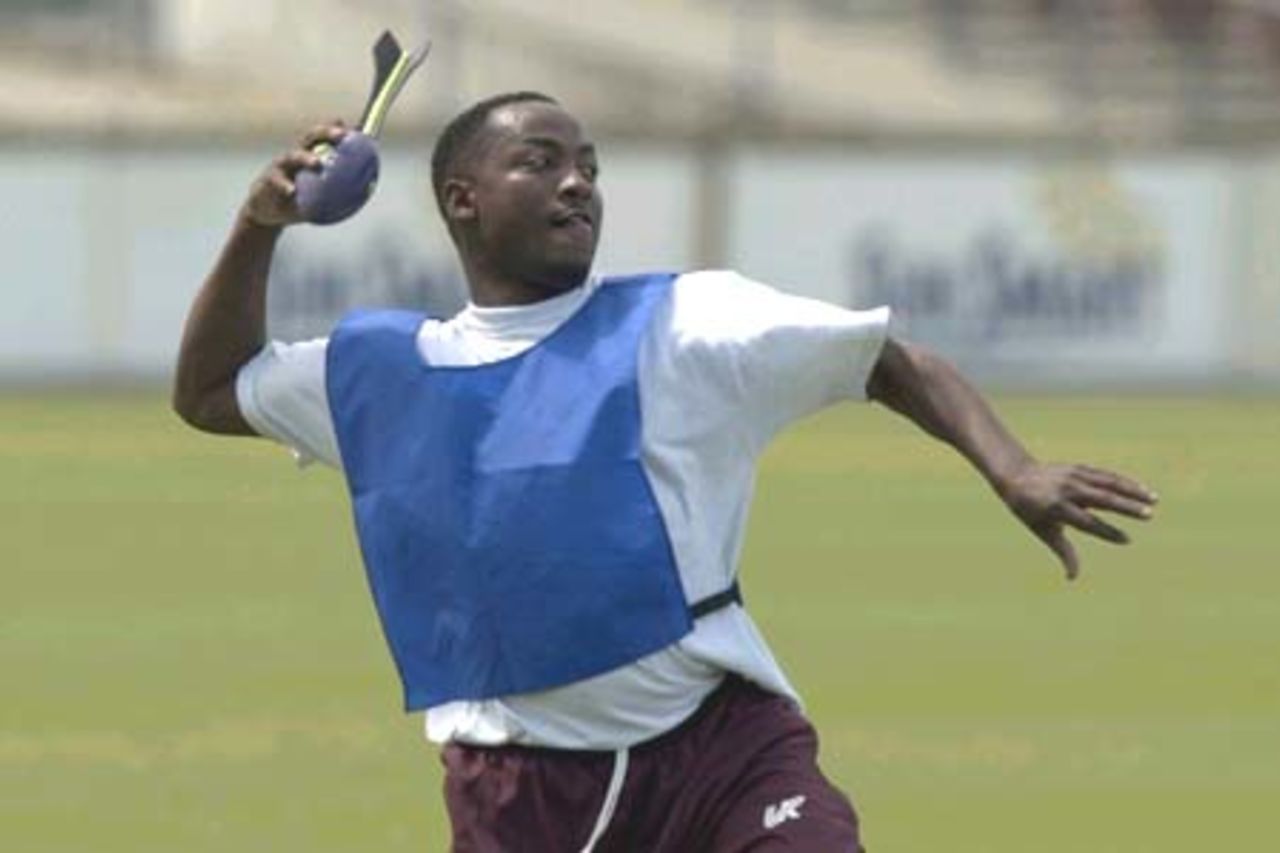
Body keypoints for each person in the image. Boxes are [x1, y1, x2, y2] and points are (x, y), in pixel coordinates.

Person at [173, 91, 1158, 852]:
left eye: (588, 167)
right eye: (540, 161)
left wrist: (1013, 469)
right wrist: (259, 225)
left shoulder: (685, 323)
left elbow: (889, 358)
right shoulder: (378, 372)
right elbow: (209, 389)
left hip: (721, 751)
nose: (576, 183)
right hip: (520, 797)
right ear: (460, 199)